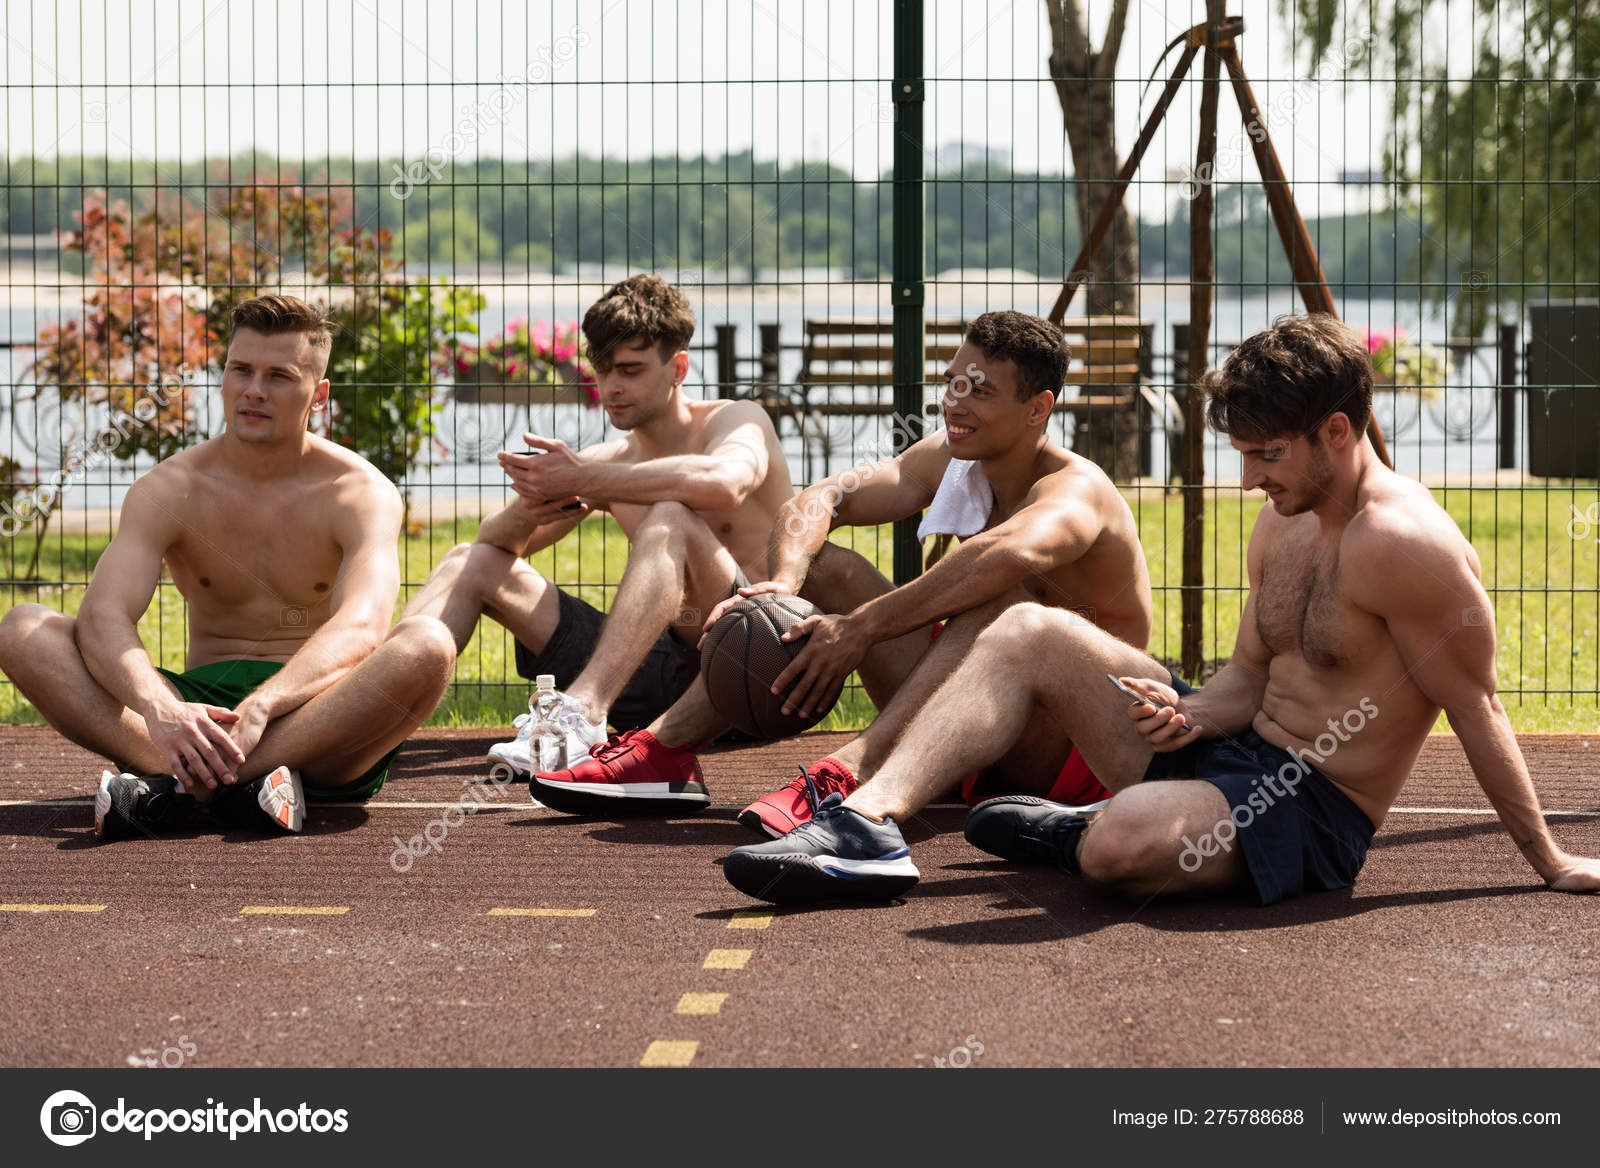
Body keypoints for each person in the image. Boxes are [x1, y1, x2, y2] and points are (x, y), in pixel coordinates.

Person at [722, 313, 1600, 904]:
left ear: (1337, 431)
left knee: (1121, 848)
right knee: (1026, 626)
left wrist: (1550, 859)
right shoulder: (1284, 521)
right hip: (1226, 749)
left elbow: (1478, 707)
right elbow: (1247, 675)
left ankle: (1087, 831)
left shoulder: (1410, 548)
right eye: (1243, 456)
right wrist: (1192, 712)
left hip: (1309, 806)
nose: (1250, 480)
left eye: (1266, 455)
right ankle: (870, 824)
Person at [544, 309, 1154, 831]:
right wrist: (782, 590)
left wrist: (860, 628)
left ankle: (849, 772)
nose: (954, 404)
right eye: (952, 384)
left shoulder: (1076, 491)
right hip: (971, 722)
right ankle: (665, 751)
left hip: (1071, 750)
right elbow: (823, 498)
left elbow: (1006, 555)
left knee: (1004, 601)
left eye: (981, 392)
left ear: (1038, 409)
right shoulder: (952, 456)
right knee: (825, 567)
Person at [0, 294, 457, 840]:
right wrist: (160, 708)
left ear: (319, 396)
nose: (254, 390)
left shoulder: (359, 492)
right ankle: (240, 782)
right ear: (223, 378)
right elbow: (103, 617)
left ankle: (178, 787)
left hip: (316, 718)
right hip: (192, 714)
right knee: (23, 628)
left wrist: (265, 705)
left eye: (280, 376)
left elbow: (362, 626)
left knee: (427, 645)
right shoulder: (169, 489)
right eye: (241, 370)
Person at [400, 274, 794, 810]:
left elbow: (727, 483)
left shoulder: (736, 420)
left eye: (630, 370)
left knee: (670, 515)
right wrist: (533, 503)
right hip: (653, 678)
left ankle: (582, 715)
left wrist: (586, 478)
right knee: (469, 559)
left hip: (745, 674)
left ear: (678, 368)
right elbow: (495, 546)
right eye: (602, 370)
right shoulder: (610, 463)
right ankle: (367, 716)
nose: (611, 388)